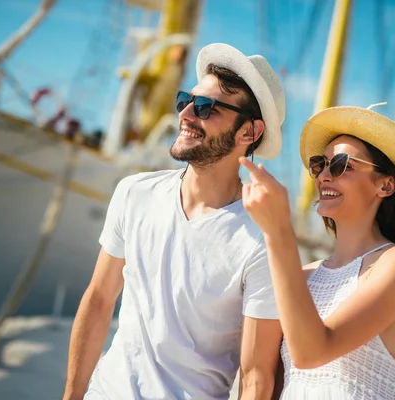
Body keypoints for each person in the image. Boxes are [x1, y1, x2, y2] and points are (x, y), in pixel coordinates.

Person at [63, 43, 286, 400]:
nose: (186, 113)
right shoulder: (134, 193)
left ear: (250, 133)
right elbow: (99, 300)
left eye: (205, 107)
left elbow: (257, 375)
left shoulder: (260, 241)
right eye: (186, 100)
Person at [239, 104, 395, 399]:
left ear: (386, 185)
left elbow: (313, 351)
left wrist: (279, 232)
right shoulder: (303, 276)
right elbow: (265, 381)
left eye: (342, 165)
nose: (324, 176)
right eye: (319, 165)